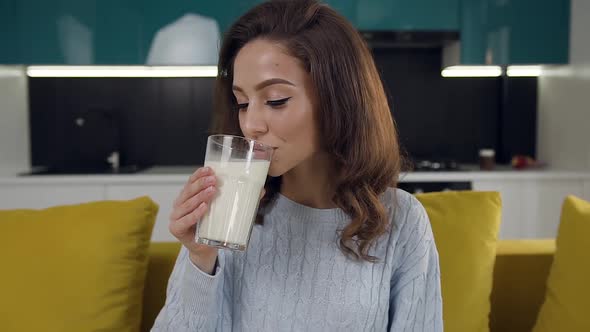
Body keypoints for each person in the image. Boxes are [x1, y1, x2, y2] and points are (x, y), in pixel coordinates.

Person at [152, 0, 443, 331]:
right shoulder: (228, 214)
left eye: (276, 100)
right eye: (242, 103)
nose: (251, 125)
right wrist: (201, 259)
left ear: (339, 99)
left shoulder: (402, 221)